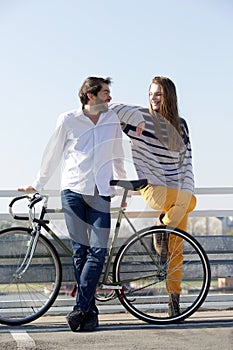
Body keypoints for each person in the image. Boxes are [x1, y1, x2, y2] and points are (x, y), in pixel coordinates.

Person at [18, 76, 128, 332]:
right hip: (73, 192)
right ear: (90, 95)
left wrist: (122, 182)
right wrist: (39, 182)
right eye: (105, 93)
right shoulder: (67, 120)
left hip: (101, 192)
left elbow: (117, 151)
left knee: (98, 251)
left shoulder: (111, 119)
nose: (109, 98)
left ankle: (80, 307)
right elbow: (53, 153)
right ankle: (89, 314)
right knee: (80, 252)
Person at [111, 76, 196, 317]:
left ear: (169, 96)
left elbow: (187, 163)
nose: (153, 98)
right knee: (188, 204)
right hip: (154, 189)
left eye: (158, 94)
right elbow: (112, 110)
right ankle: (161, 229)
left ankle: (174, 304)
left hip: (178, 193)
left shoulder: (182, 125)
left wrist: (187, 190)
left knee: (178, 244)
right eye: (150, 94)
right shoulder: (140, 118)